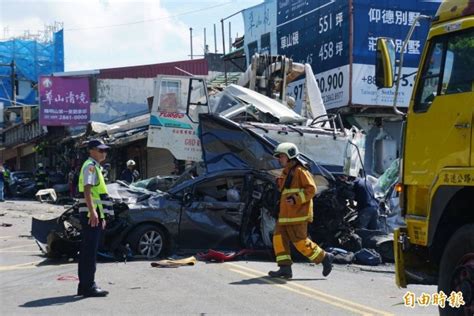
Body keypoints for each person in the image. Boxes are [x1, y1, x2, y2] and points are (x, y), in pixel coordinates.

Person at [268, 142, 334, 279]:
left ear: (289, 156)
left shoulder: (301, 171)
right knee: (278, 238)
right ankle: (285, 268)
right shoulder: (286, 172)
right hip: (285, 215)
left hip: (298, 215)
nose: (279, 159)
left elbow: (311, 190)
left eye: (281, 156)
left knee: (300, 242)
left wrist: (295, 199)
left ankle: (325, 257)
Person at [76, 139, 111, 297]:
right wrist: (93, 212)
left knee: (88, 251)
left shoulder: (96, 166)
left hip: (95, 213)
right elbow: (87, 190)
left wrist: (101, 215)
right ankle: (88, 286)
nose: (104, 153)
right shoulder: (90, 166)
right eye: (100, 150)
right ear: (91, 150)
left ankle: (84, 285)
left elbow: (97, 194)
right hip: (91, 214)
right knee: (89, 252)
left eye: (105, 150)